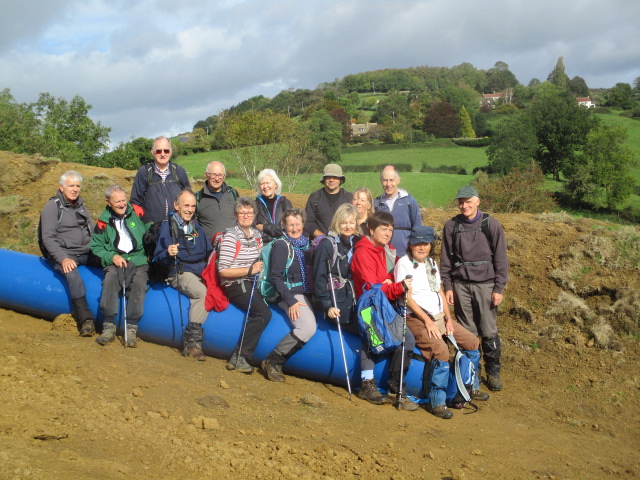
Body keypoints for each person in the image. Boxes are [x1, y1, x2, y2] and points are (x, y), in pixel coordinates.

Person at [394, 225, 490, 419]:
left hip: (439, 316)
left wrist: (447, 318)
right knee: (441, 351)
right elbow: (407, 299)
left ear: (431, 245)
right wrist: (427, 322)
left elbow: (439, 292)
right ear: (411, 244)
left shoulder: (432, 264)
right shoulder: (403, 264)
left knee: (472, 342)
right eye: (418, 243)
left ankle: (470, 387)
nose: (422, 247)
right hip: (416, 318)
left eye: (426, 243)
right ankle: (437, 400)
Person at [440, 185, 509, 392]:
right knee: (468, 334)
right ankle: (472, 374)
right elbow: (446, 260)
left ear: (478, 201)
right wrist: (448, 287)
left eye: (468, 201)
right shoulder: (451, 226)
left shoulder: (491, 225)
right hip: (461, 286)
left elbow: (501, 259)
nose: (464, 205)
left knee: (488, 331)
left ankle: (493, 373)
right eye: (461, 202)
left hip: (486, 285)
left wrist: (499, 288)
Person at [350, 211, 419, 411]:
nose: (388, 233)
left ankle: (395, 388)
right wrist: (397, 287)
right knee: (374, 335)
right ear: (371, 230)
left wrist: (390, 281)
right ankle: (367, 383)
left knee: (407, 339)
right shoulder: (363, 252)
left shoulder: (386, 251)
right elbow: (373, 288)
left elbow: (389, 277)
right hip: (366, 305)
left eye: (390, 229)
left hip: (383, 303)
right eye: (383, 228)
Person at [153, 189, 212, 361]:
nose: (190, 209)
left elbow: (208, 251)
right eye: (186, 205)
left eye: (193, 206)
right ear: (176, 206)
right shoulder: (168, 226)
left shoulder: (196, 226)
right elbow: (158, 257)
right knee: (202, 294)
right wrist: (168, 252)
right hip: (180, 272)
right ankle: (192, 342)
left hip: (199, 270)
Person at [90, 186, 150, 347]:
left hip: (138, 259)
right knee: (110, 278)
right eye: (117, 202)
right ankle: (108, 326)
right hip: (116, 260)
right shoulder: (103, 222)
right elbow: (96, 247)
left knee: (139, 282)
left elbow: (150, 233)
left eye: (124, 200)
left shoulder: (138, 213)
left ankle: (131, 328)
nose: (122, 204)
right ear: (108, 202)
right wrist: (112, 256)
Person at [262, 208, 316, 382]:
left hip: (308, 294)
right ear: (284, 226)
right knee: (307, 328)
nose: (294, 228)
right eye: (290, 224)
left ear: (303, 224)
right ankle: (273, 360)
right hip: (290, 294)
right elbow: (275, 277)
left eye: (298, 224)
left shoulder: (307, 243)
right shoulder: (281, 245)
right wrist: (290, 300)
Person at [218, 197, 271, 374]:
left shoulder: (257, 235)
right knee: (262, 313)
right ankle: (241, 356)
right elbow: (223, 271)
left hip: (252, 281)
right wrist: (250, 270)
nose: (246, 215)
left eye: (249, 212)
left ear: (255, 215)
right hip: (235, 283)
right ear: (235, 215)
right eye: (242, 213)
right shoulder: (230, 237)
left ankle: (237, 358)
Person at [39, 170, 96, 337]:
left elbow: (93, 231)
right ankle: (86, 319)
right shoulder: (52, 206)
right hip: (64, 253)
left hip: (85, 251)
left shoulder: (81, 206)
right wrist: (63, 258)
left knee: (109, 262)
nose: (75, 189)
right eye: (71, 186)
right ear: (61, 187)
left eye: (78, 186)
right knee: (73, 275)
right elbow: (47, 238)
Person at [312, 203, 359, 325]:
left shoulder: (358, 243)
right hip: (337, 302)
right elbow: (319, 277)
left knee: (370, 329)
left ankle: (377, 344)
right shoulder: (327, 245)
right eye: (344, 223)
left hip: (355, 299)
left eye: (351, 222)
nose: (348, 226)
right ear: (337, 223)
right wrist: (327, 306)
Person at [130, 136, 190, 224]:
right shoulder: (144, 172)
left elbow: (188, 198)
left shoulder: (179, 171)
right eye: (158, 151)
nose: (163, 154)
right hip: (153, 230)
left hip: (177, 226)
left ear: (171, 152)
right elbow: (135, 202)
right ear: (152, 152)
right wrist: (145, 223)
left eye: (166, 150)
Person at [373, 165, 422, 257]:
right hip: (382, 255)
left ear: (398, 180)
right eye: (385, 180)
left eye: (391, 180)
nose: (388, 184)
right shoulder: (377, 203)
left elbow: (417, 228)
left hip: (405, 255)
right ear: (381, 181)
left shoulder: (409, 201)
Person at [304, 164, 352, 239]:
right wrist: (324, 238)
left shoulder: (348, 198)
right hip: (320, 243)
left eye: (335, 177)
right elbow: (308, 222)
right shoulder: (315, 197)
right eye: (328, 177)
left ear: (340, 180)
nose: (331, 180)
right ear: (324, 179)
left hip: (344, 243)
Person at [195, 161, 238, 243]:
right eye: (214, 174)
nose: (217, 178)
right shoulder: (198, 198)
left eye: (220, 175)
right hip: (209, 251)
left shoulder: (233, 194)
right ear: (206, 175)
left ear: (224, 176)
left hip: (233, 249)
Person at [254, 169, 292, 243]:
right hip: (263, 246)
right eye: (262, 184)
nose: (265, 186)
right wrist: (274, 237)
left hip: (283, 245)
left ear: (276, 184)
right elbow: (254, 230)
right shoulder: (254, 205)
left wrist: (265, 227)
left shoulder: (285, 203)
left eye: (268, 183)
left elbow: (289, 228)